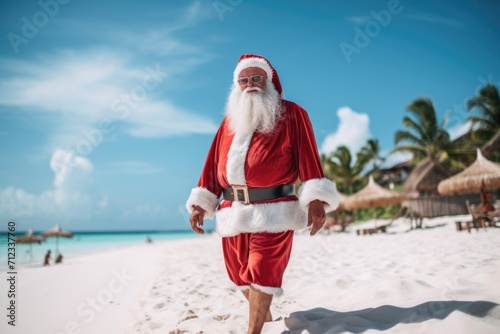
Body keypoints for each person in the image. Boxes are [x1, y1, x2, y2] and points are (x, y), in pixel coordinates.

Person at [186, 54, 339, 333]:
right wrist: (200, 204)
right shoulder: (228, 123)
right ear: (237, 85)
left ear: (269, 81)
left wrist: (316, 199)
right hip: (232, 210)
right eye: (243, 80)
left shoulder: (293, 114)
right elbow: (211, 166)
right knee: (238, 275)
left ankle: (253, 330)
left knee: (262, 270)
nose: (250, 85)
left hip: (275, 210)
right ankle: (263, 317)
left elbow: (309, 159)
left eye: (256, 78)